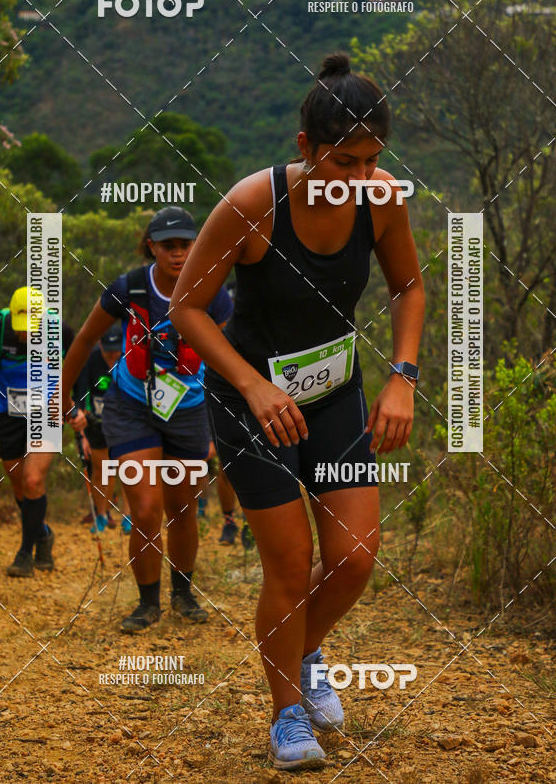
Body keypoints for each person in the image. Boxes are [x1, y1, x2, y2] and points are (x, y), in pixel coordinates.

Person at [170, 53, 425, 770]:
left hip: (334, 391)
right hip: (252, 401)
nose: (358, 177)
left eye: (371, 160)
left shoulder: (381, 198)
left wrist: (402, 376)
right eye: (343, 162)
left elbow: (409, 288)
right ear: (305, 146)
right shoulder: (253, 203)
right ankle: (287, 715)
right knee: (289, 564)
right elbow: (187, 308)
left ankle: (302, 652)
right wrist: (254, 387)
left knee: (354, 559)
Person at [61, 207, 233, 633]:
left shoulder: (212, 291)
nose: (178, 253)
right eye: (168, 245)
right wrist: (63, 394)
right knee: (145, 508)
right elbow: (85, 339)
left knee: (182, 508)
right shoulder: (130, 288)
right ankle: (147, 602)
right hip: (131, 406)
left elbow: (232, 352)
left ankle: (183, 594)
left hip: (188, 409)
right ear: (151, 246)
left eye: (185, 245)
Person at [0, 287, 77, 577]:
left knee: (32, 479)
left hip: (46, 412)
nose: (26, 334)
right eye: (21, 328)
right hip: (8, 412)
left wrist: (75, 402)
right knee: (19, 486)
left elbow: (80, 363)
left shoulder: (60, 330)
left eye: (32, 328)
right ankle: (43, 534)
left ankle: (25, 553)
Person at [75, 324, 132, 534]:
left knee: (127, 468)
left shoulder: (129, 357)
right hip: (98, 423)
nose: (112, 355)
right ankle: (101, 515)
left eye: (116, 350)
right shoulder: (91, 359)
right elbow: (81, 392)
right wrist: (82, 431)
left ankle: (128, 516)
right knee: (102, 469)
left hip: (126, 422)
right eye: (108, 351)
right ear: (100, 345)